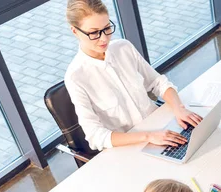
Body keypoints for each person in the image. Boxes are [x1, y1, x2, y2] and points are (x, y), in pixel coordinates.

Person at [65, 0, 202, 151]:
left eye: (107, 28)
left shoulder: (124, 48)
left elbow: (157, 82)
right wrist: (148, 136)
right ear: (75, 31)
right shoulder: (76, 77)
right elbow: (96, 135)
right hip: (129, 146)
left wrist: (178, 108)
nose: (104, 38)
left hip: (160, 127)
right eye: (94, 33)